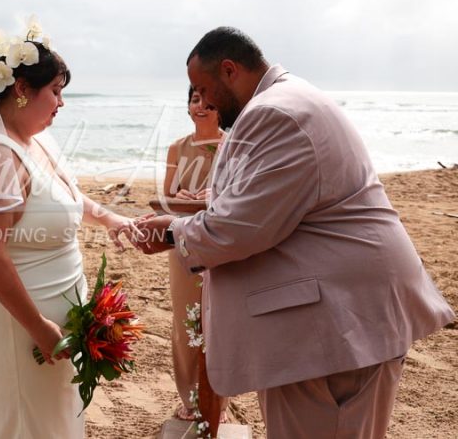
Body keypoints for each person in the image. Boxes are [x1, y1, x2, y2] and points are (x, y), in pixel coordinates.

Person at [134, 27, 455, 438]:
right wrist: (211, 197)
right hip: (340, 324)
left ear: (229, 70)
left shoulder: (273, 113)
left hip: (334, 328)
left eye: (202, 87)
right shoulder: (288, 100)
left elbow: (242, 227)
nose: (203, 101)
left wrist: (173, 233)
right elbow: (277, 188)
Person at [0, 20, 138, 439]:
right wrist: (38, 325)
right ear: (21, 89)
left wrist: (108, 217)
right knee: (19, 424)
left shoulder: (31, 140)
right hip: (19, 324)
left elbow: (59, 197)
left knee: (47, 423)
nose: (61, 102)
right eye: (55, 91)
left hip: (52, 320)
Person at [162, 87, 226, 421]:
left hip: (222, 244)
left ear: (220, 108)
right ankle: (189, 398)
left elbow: (244, 197)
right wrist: (181, 196)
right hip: (182, 244)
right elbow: (165, 201)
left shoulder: (233, 146)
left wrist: (212, 195)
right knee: (184, 318)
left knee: (220, 319)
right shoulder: (176, 148)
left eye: (208, 101)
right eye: (194, 100)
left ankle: (219, 402)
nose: (200, 107)